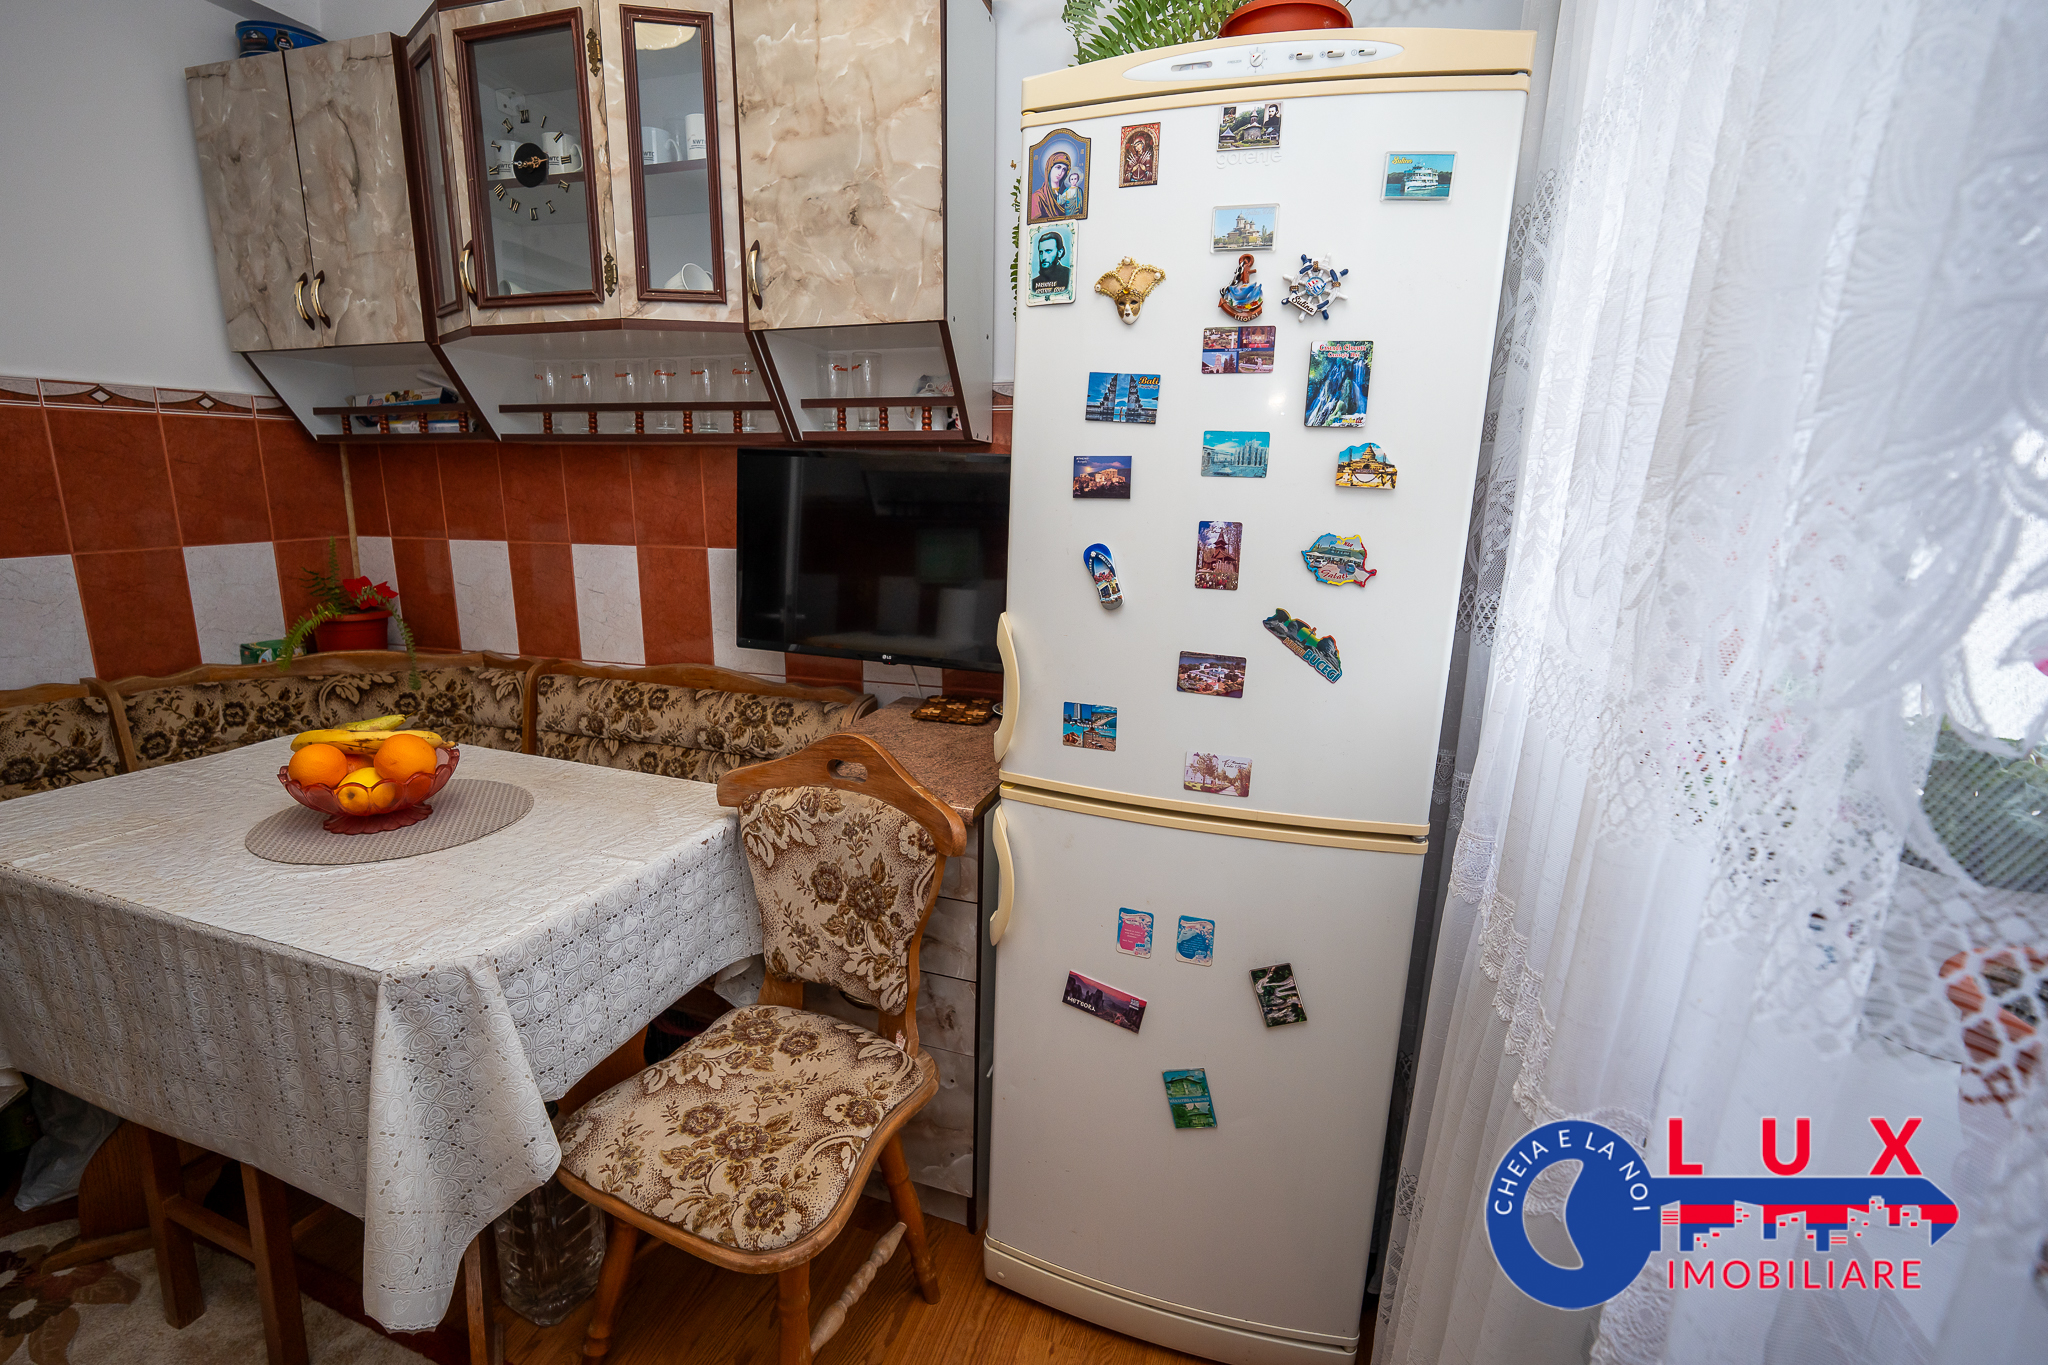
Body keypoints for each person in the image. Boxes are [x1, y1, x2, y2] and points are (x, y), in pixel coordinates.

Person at [1031, 150, 1083, 220]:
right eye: (1058, 167)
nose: (1060, 172)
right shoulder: (1038, 197)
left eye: (1064, 169)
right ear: (1049, 168)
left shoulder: (1067, 192)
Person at [1031, 230, 1070, 296]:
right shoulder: (1033, 284)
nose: (1043, 257)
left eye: (1048, 251)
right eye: (1041, 252)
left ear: (1060, 252)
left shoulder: (1070, 277)